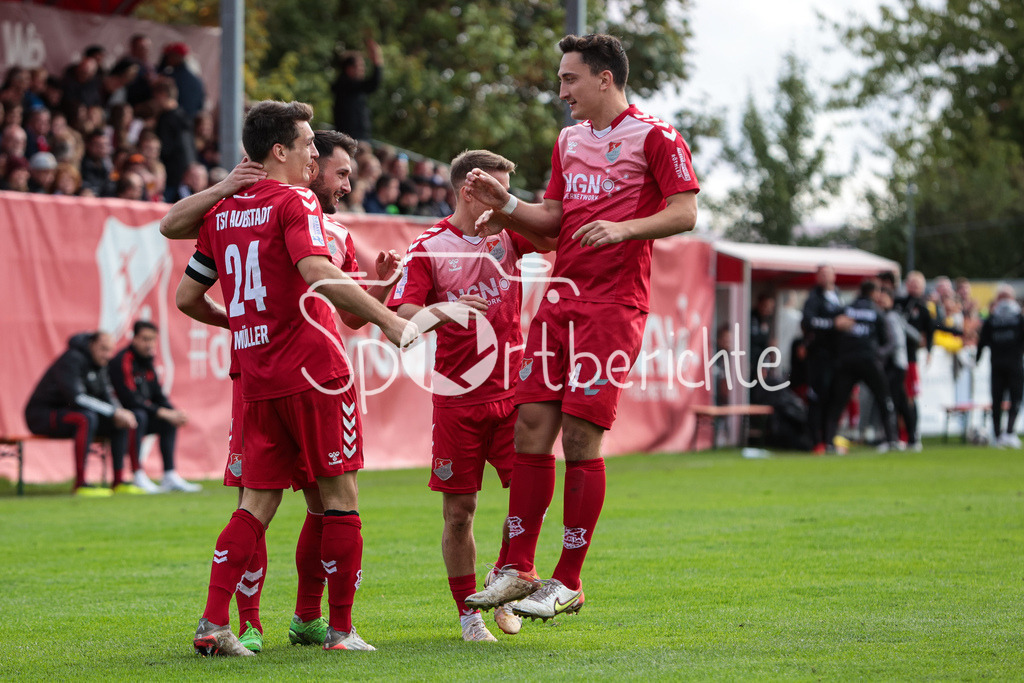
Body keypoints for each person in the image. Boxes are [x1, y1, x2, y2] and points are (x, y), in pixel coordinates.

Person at [462, 33, 699, 620]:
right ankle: (518, 569)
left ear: (604, 78)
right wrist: (506, 204)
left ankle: (568, 580)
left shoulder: (657, 136)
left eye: (570, 79)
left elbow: (685, 211)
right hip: (560, 300)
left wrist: (625, 229)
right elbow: (552, 221)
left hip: (613, 306)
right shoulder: (568, 141)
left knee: (579, 439)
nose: (562, 90)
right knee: (529, 429)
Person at [174, 100, 415, 656]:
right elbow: (315, 270)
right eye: (308, 144)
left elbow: (187, 296)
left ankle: (214, 623)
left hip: (257, 376)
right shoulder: (296, 200)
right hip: (316, 372)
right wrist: (389, 319)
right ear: (279, 150)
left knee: (255, 505)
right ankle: (339, 631)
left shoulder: (221, 213)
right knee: (339, 498)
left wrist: (241, 322)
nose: (314, 153)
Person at [389, 149, 555, 641]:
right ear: (469, 190)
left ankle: (503, 573)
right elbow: (403, 318)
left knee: (532, 499)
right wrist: (447, 309)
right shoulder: (428, 246)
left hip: (515, 391)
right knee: (459, 513)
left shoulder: (509, 232)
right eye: (496, 191)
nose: (505, 199)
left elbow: (553, 236)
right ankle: (469, 615)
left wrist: (513, 209)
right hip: (458, 398)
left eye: (507, 192)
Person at [23, 331, 140, 496]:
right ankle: (81, 483)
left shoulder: (101, 365)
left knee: (118, 421)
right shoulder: (72, 359)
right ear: (91, 345)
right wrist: (113, 411)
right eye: (103, 349)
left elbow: (107, 395)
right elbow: (76, 397)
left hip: (70, 415)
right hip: (41, 416)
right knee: (86, 418)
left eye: (110, 350)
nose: (107, 355)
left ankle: (119, 481)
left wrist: (119, 411)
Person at [108, 320, 201, 493]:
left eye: (152, 340)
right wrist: (162, 412)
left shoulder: (148, 361)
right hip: (119, 417)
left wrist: (174, 413)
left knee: (168, 421)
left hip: (141, 413)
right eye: (145, 339)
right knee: (139, 416)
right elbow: (130, 399)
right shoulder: (123, 360)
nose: (149, 344)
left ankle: (169, 475)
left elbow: (158, 394)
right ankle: (137, 475)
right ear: (134, 338)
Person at [824, 280, 900, 453]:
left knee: (838, 402)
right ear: (874, 293)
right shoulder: (876, 311)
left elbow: (834, 332)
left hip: (847, 361)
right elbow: (887, 340)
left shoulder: (846, 309)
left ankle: (828, 442)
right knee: (884, 399)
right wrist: (877, 354)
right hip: (869, 361)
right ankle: (892, 440)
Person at [801, 265, 852, 454]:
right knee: (817, 398)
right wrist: (833, 324)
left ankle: (830, 440)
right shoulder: (813, 298)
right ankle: (817, 441)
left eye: (828, 273)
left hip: (837, 356)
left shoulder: (838, 296)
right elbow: (808, 321)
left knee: (835, 398)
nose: (825, 277)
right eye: (822, 274)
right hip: (819, 357)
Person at [976, 284, 1024, 448]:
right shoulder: (1017, 317)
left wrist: (977, 358)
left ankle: (1005, 433)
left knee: (1006, 399)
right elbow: (983, 340)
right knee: (1005, 400)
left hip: (1002, 364)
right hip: (1009, 364)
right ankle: (1002, 434)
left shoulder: (993, 319)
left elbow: (982, 341)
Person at [876, 286, 920, 451]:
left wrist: (879, 353)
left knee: (891, 402)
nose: (880, 302)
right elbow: (914, 334)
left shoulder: (890, 317)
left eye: (883, 299)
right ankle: (912, 439)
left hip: (893, 365)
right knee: (901, 402)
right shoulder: (895, 316)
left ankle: (892, 439)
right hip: (899, 364)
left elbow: (895, 342)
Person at [894, 271, 934, 445]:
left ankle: (913, 434)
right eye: (912, 283)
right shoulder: (898, 303)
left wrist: (929, 351)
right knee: (898, 397)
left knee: (910, 397)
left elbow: (930, 332)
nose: (914, 287)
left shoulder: (924, 309)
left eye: (918, 284)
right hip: (895, 358)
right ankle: (900, 435)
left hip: (910, 359)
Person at [331, 36, 382, 141]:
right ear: (349, 68)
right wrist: (377, 61)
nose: (363, 70)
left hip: (359, 136)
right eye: (360, 66)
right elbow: (373, 84)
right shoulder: (345, 85)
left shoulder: (354, 88)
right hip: (351, 138)